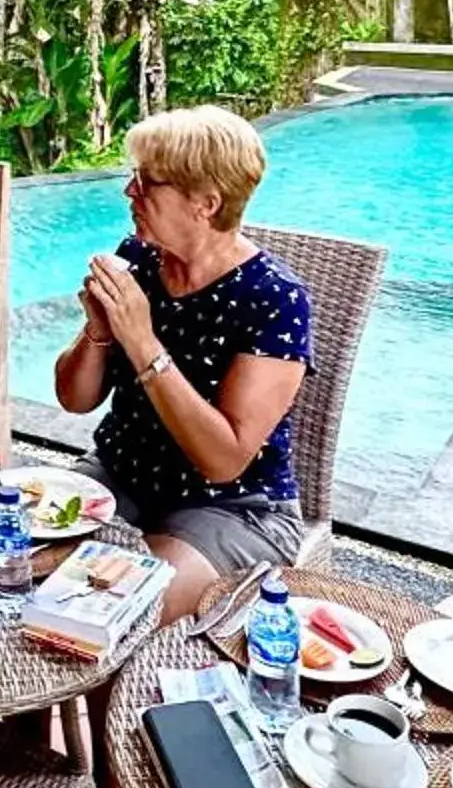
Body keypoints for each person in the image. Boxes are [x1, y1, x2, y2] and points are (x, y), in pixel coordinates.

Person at [50, 105, 311, 622]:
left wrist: (142, 341)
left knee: (108, 612)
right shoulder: (141, 260)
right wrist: (100, 332)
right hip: (120, 477)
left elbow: (225, 459)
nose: (130, 192)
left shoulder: (275, 300)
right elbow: (74, 400)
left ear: (206, 203)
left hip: (232, 506)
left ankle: (120, 705)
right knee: (18, 567)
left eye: (147, 183)